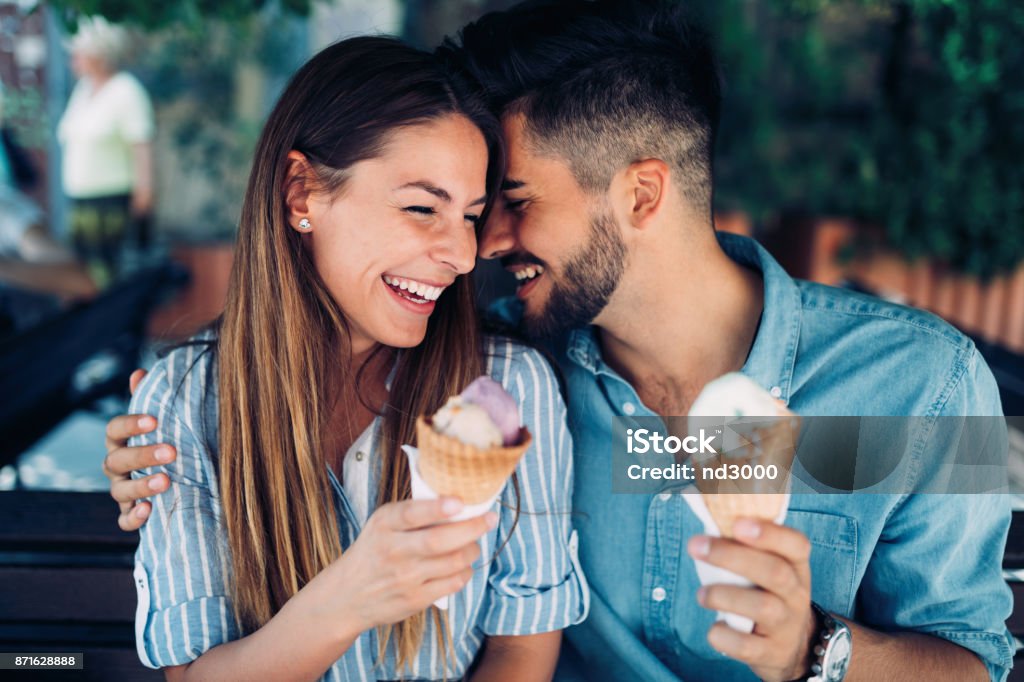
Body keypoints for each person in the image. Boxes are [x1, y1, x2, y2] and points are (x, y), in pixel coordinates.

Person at [104, 2, 1012, 681]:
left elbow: (976, 661)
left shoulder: (921, 388)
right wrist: (161, 431)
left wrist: (822, 649)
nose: (479, 249)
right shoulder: (506, 384)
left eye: (514, 203)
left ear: (642, 196)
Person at [111, 36, 585, 681]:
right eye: (422, 207)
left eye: (470, 216)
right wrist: (349, 598)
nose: (463, 255)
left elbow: (521, 646)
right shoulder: (184, 400)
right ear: (301, 192)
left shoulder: (505, 387)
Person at [58, 16, 154, 289]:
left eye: (79, 53)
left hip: (112, 202)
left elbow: (141, 143)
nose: (73, 59)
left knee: (112, 275)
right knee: (84, 271)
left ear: (99, 54)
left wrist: (144, 191)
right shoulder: (83, 89)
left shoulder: (126, 90)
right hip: (81, 201)